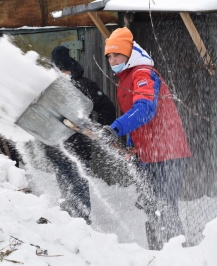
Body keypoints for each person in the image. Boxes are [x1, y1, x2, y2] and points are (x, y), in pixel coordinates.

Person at [103, 27, 192, 250]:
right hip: (150, 153)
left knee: (165, 206)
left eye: (117, 55)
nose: (113, 60)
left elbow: (145, 109)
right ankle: (158, 252)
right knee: (153, 207)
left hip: (167, 151)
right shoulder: (126, 77)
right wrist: (133, 146)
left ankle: (177, 254)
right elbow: (140, 124)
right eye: (110, 56)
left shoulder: (143, 73)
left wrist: (116, 128)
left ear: (129, 54)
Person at [44, 46, 117, 224]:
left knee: (79, 187)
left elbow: (107, 108)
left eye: (64, 69)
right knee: (68, 188)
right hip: (58, 149)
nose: (62, 73)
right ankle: (72, 224)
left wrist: (99, 129)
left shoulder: (83, 85)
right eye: (59, 70)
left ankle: (82, 225)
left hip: (77, 147)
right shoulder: (47, 88)